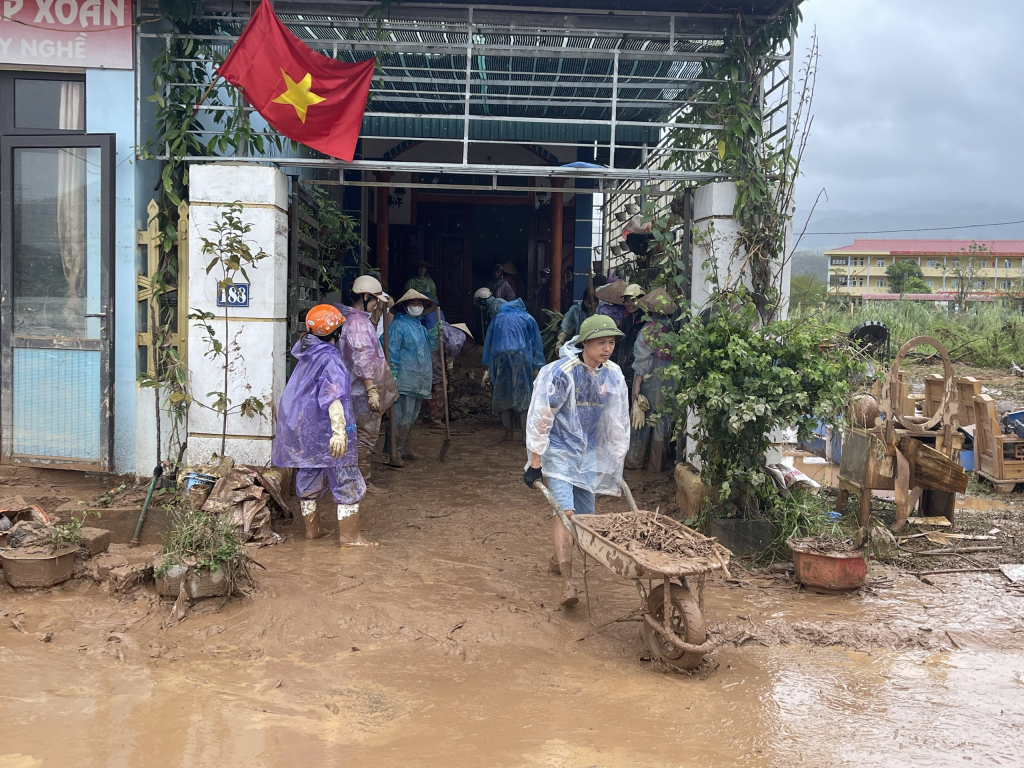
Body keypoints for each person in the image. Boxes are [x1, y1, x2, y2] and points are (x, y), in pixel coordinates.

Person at [524, 314, 630, 606]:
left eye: (611, 342)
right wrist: (535, 463)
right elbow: (542, 417)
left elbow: (615, 420)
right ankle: (569, 583)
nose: (607, 348)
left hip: (589, 454)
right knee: (566, 513)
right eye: (600, 342)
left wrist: (616, 459)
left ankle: (558, 559)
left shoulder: (612, 374)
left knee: (587, 518)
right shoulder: (561, 373)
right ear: (585, 343)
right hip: (558, 452)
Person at [272, 304, 369, 547]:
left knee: (309, 473)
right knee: (346, 476)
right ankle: (350, 537)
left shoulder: (306, 354)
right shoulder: (329, 357)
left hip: (305, 430)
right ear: (336, 332)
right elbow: (332, 395)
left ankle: (312, 530)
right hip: (326, 429)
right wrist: (338, 432)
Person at [333, 275, 399, 494]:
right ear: (366, 296)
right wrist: (372, 389)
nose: (375, 305)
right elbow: (362, 359)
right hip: (360, 391)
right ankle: (362, 483)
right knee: (365, 437)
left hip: (353, 389)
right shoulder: (359, 324)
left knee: (357, 436)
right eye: (374, 301)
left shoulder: (353, 320)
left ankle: (357, 482)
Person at [626, 287, 677, 472]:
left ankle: (634, 461)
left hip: (650, 381)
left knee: (641, 419)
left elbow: (642, 362)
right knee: (663, 421)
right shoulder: (676, 329)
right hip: (671, 384)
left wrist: (636, 388)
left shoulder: (648, 330)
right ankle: (656, 466)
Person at [481, 298, 545, 441]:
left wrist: (487, 365)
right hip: (521, 359)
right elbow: (536, 344)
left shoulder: (497, 318)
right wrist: (537, 366)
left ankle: (507, 433)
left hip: (500, 359)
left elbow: (489, 343)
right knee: (523, 396)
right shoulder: (528, 318)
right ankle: (524, 435)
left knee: (502, 394)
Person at [386, 289, 435, 466]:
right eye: (413, 304)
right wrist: (394, 374)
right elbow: (392, 350)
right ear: (406, 307)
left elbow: (428, 348)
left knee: (411, 417)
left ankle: (405, 448)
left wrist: (436, 335)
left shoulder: (420, 327)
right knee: (401, 418)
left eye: (420, 304)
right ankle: (395, 452)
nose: (417, 307)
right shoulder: (398, 326)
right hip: (405, 378)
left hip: (418, 378)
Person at [427, 321, 474, 425]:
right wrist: (450, 358)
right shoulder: (458, 335)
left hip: (425, 355)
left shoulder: (445, 329)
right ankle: (435, 419)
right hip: (434, 357)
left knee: (429, 386)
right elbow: (453, 346)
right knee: (439, 385)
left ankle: (428, 416)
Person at [615, 284, 646, 394]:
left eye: (633, 300)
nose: (629, 304)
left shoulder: (646, 323)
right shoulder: (624, 320)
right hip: (621, 373)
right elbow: (617, 345)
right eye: (626, 300)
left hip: (638, 375)